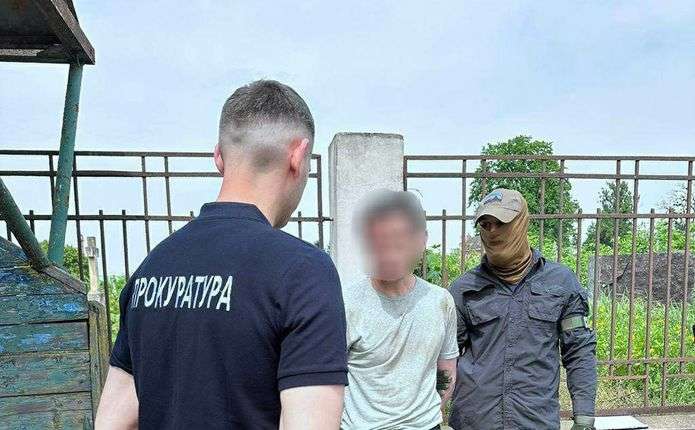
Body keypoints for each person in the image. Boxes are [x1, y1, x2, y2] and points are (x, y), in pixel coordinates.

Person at [95, 80, 348, 429]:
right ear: (298, 156)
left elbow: (111, 422)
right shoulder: (303, 272)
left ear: (218, 157)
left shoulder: (151, 268)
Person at [448, 188, 597, 430]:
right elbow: (445, 357)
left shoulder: (560, 282)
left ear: (521, 223)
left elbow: (579, 350)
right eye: (485, 224)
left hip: (535, 421)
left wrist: (584, 419)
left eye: (501, 223)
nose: (492, 231)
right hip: (475, 422)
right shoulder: (464, 289)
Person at [341, 190, 459, 430]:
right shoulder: (346, 303)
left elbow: (446, 368)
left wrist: (424, 417)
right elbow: (328, 380)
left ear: (421, 240)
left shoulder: (440, 301)